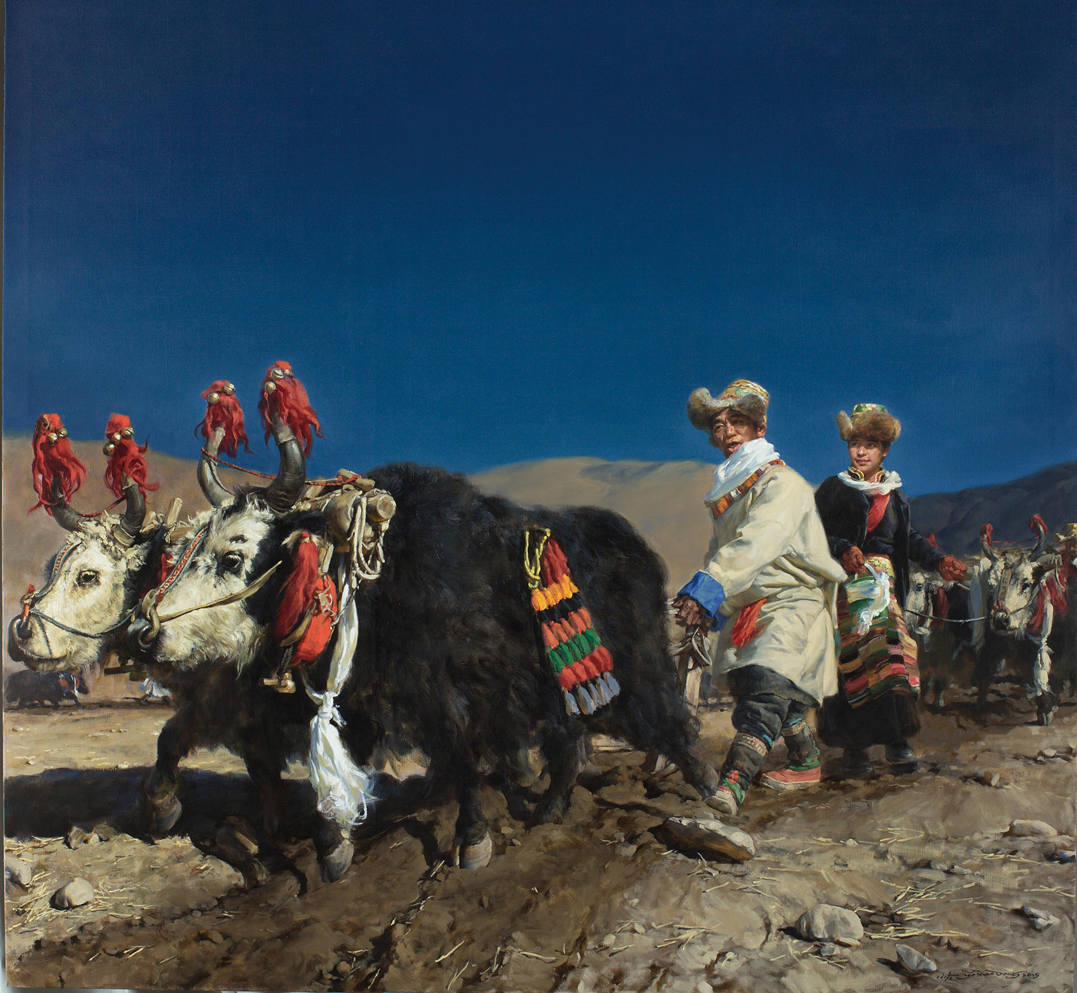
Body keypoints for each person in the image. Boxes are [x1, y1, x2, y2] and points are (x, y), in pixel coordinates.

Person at [673, 379, 848, 816]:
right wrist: (712, 607)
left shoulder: (783, 483)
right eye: (718, 425)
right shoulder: (729, 490)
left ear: (759, 427)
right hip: (750, 604)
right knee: (762, 685)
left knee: (768, 690)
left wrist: (708, 588)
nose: (727, 432)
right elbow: (722, 551)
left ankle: (732, 784)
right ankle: (806, 761)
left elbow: (757, 541)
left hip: (793, 598)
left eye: (737, 421)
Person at [814, 403, 966, 775]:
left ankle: (897, 741)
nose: (860, 452)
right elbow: (813, 533)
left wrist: (938, 561)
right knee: (850, 661)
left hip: (884, 587)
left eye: (870, 445)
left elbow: (908, 540)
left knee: (891, 656)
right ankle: (854, 749)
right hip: (843, 585)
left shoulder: (894, 495)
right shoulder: (834, 489)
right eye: (855, 444)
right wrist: (843, 549)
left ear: (884, 450)